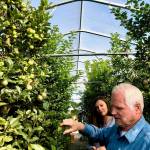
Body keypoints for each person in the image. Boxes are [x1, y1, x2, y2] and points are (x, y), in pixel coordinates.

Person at [61, 83, 150, 150]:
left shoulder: (147, 141)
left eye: (119, 108)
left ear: (137, 108)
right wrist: (80, 126)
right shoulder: (116, 129)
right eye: (112, 107)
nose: (113, 112)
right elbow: (98, 133)